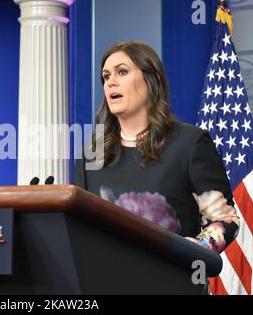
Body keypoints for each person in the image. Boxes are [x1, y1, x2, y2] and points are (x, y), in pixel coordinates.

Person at [73, 41, 240, 254]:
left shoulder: (190, 143)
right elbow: (78, 227)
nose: (111, 82)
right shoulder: (91, 155)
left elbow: (225, 219)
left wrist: (195, 248)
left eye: (122, 72)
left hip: (171, 279)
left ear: (151, 80)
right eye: (106, 77)